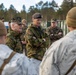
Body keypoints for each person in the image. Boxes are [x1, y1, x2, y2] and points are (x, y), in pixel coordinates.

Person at [39, 7, 76, 75]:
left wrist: (54, 35)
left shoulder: (56, 48)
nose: (53, 24)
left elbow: (46, 71)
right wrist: (56, 35)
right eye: (52, 22)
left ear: (68, 24)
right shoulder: (48, 29)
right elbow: (49, 36)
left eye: (54, 22)